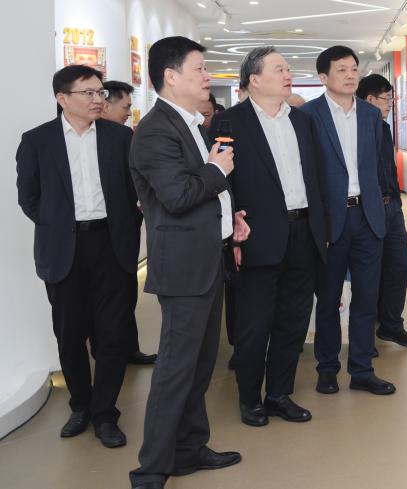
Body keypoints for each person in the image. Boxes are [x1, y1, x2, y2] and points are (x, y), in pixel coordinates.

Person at [128, 37, 248, 489]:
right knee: (176, 370)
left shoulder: (191, 124)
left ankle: (189, 448)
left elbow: (201, 191)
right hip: (183, 268)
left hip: (207, 256)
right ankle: (151, 470)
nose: (207, 76)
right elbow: (178, 196)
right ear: (171, 76)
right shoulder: (156, 130)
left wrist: (230, 216)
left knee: (199, 365)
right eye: (199, 68)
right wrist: (217, 171)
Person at [16, 65, 143, 448]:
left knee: (112, 335)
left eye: (100, 92)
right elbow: (29, 198)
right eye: (88, 93)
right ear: (62, 98)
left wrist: (126, 228)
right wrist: (60, 227)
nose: (97, 99)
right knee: (70, 335)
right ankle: (81, 406)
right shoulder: (38, 141)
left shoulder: (120, 137)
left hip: (111, 246)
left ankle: (105, 413)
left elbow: (134, 192)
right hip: (64, 250)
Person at [215, 47, 326, 427]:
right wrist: (231, 233)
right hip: (255, 236)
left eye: (288, 68)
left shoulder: (303, 121)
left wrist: (322, 229)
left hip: (303, 232)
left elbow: (316, 176)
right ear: (255, 79)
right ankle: (250, 399)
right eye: (279, 69)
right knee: (253, 325)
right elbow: (220, 182)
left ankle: (279, 394)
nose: (288, 74)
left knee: (293, 322)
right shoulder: (229, 122)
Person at [300, 46, 394, 396]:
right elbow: (307, 175)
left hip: (368, 218)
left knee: (367, 299)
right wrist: (317, 224)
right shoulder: (308, 116)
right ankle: (327, 369)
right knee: (328, 299)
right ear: (323, 77)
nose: (351, 75)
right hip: (331, 221)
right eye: (341, 70)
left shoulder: (370, 115)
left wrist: (383, 210)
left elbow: (378, 168)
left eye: (354, 69)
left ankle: (362, 370)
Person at [357, 74, 407, 349]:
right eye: (386, 98)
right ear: (369, 99)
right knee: (370, 272)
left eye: (391, 98)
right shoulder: (357, 128)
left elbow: (387, 168)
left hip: (391, 206)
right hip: (368, 209)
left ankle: (391, 325)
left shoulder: (384, 128)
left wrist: (395, 197)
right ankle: (365, 333)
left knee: (400, 266)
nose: (390, 104)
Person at [100, 80, 158, 366]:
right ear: (106, 104)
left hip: (122, 232)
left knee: (124, 292)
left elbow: (135, 183)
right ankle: (106, 350)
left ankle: (127, 349)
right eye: (125, 107)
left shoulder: (123, 137)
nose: (128, 113)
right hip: (88, 236)